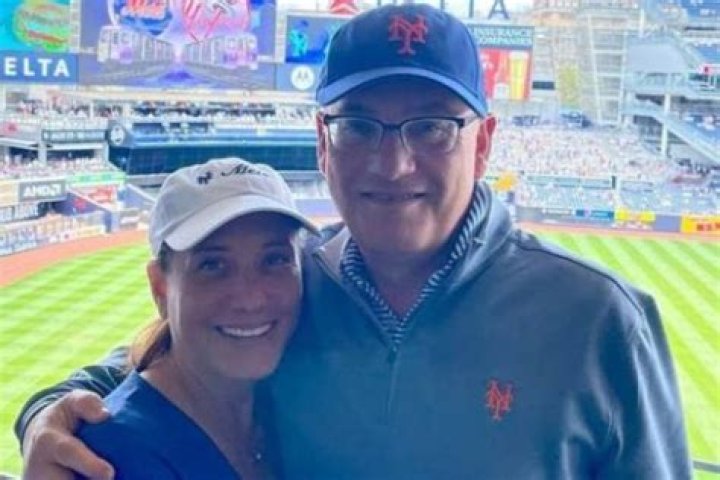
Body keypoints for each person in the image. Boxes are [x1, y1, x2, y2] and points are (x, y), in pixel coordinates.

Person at [17, 4, 691, 479]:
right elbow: (169, 357)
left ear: (483, 143)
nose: (392, 165)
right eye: (359, 126)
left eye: (432, 127)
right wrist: (48, 413)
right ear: (322, 141)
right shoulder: (290, 285)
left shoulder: (600, 318)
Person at [72, 157, 318, 479]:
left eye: (275, 259)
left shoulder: (287, 409)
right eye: (213, 265)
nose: (250, 299)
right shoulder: (115, 455)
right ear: (160, 286)